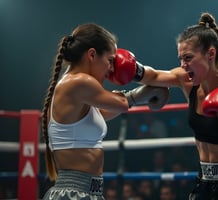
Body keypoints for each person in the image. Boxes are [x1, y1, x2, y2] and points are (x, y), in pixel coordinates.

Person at [108, 12, 218, 199]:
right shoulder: (187, 81)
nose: (183, 65)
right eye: (180, 59)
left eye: (188, 58)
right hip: (204, 182)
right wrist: (129, 66)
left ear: (210, 54)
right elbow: (155, 76)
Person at [41, 23, 169, 200]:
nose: (111, 68)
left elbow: (102, 112)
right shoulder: (79, 81)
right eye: (110, 60)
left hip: (88, 191)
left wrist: (140, 96)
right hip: (73, 193)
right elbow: (122, 104)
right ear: (92, 55)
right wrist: (141, 92)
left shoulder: (77, 89)